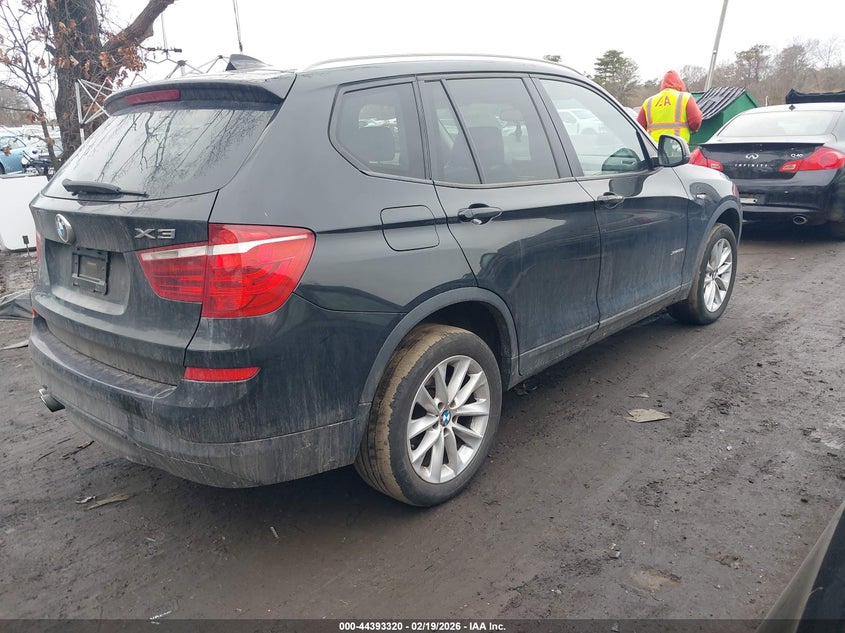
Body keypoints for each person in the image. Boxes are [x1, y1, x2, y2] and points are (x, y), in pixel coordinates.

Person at [637, 70, 703, 144]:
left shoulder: (648, 102)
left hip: (652, 148)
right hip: (677, 149)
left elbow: (639, 127)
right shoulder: (685, 97)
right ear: (680, 84)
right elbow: (696, 122)